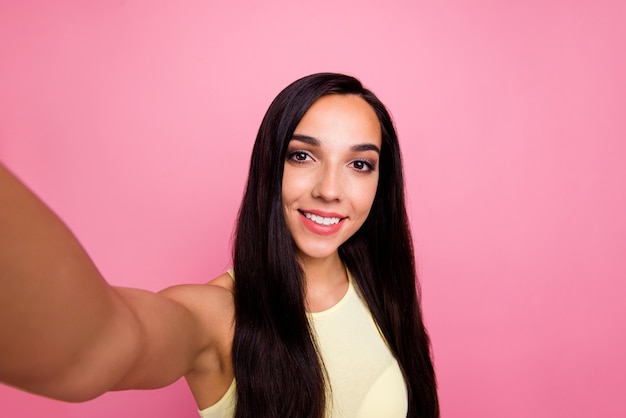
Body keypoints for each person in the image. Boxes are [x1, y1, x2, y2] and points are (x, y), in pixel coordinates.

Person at [0, 73, 439, 417]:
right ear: (269, 166)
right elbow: (96, 350)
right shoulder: (218, 316)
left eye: (359, 164)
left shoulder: (381, 283)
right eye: (302, 155)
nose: (330, 190)